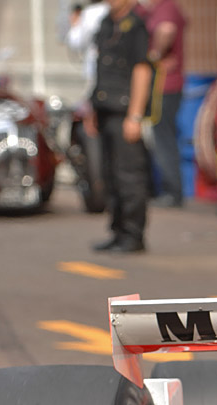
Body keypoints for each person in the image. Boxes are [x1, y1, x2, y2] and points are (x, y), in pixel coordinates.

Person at [89, 0, 152, 253]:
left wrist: (135, 116)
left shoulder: (136, 26)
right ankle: (117, 230)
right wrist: (92, 106)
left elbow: (142, 70)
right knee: (111, 175)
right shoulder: (105, 24)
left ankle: (133, 235)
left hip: (125, 111)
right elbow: (99, 69)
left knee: (129, 176)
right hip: (105, 108)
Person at [140, 0, 187, 207]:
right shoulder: (151, 9)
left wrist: (154, 55)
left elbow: (167, 30)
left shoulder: (166, 7)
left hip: (164, 85)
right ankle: (162, 188)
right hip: (159, 85)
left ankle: (172, 191)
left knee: (163, 138)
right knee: (158, 137)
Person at [63, 0, 109, 92]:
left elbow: (77, 41)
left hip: (95, 68)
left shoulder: (89, 13)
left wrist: (75, 24)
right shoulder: (111, 10)